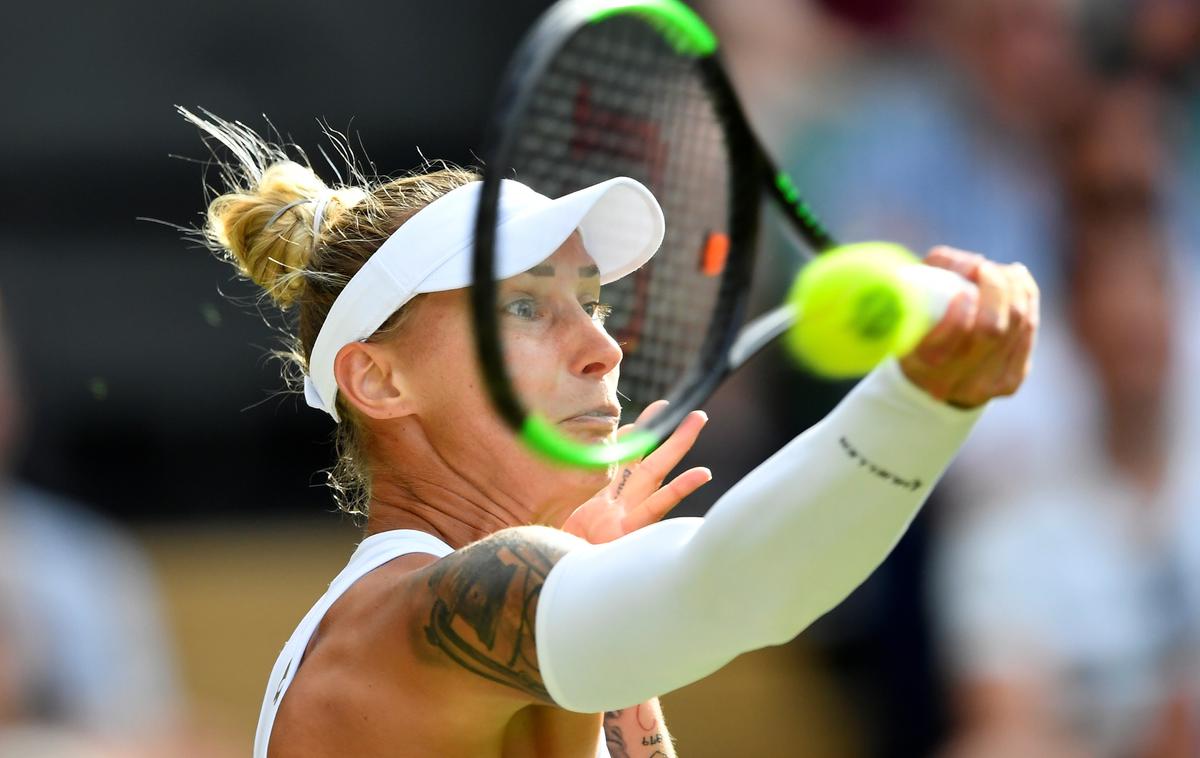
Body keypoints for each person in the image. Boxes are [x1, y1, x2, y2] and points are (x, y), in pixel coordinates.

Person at [182, 110, 1037, 758]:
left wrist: (618, 653)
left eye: (592, 304)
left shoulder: (526, 616)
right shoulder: (423, 611)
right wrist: (921, 404)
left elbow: (704, 597)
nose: (601, 348)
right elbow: (739, 586)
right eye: (524, 306)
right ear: (378, 379)